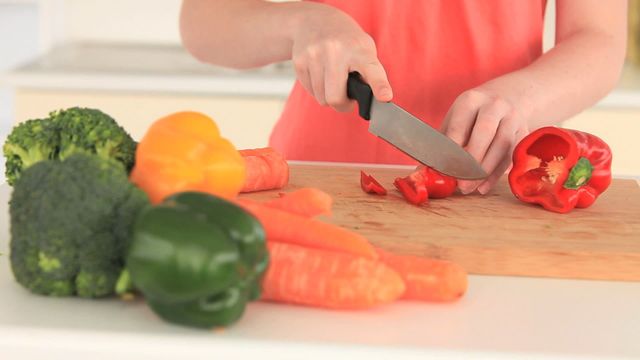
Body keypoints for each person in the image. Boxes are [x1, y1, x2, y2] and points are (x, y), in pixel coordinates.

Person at [179, 0, 627, 194]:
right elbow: (205, 21)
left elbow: (599, 40)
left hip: (491, 182)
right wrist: (301, 22)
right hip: (318, 180)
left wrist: (525, 98)